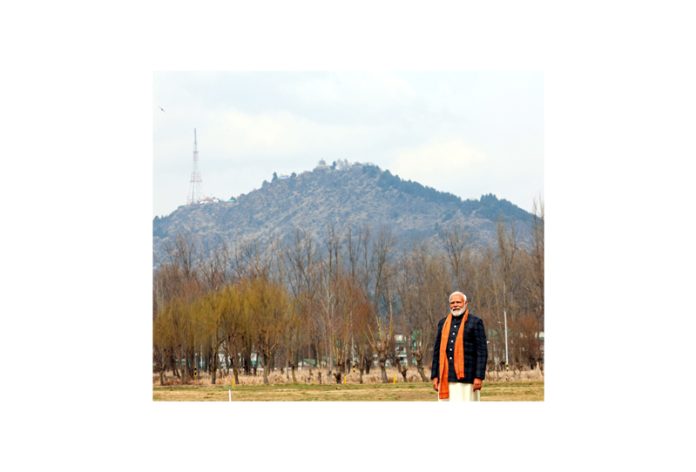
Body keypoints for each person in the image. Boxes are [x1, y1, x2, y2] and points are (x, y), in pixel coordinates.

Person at [431, 291, 488, 401]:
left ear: (465, 303)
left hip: (468, 378)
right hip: (445, 378)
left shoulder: (475, 322)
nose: (455, 305)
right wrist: (435, 376)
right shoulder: (442, 323)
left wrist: (479, 376)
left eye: (458, 302)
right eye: (452, 303)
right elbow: (437, 352)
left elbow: (481, 352)